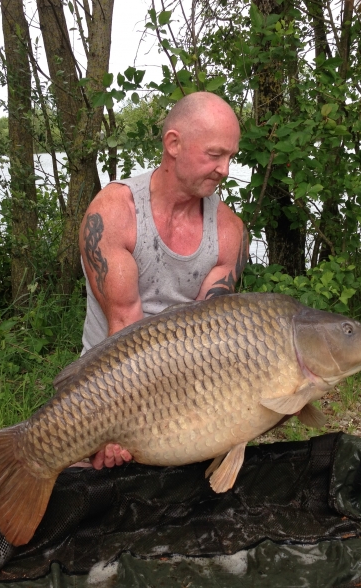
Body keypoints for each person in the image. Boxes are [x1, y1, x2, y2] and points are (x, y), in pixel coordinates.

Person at [78, 91, 248, 470]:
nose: (224, 169)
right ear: (173, 143)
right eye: (215, 154)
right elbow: (124, 330)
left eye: (231, 157)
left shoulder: (229, 230)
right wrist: (116, 427)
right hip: (106, 384)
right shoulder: (115, 212)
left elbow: (212, 333)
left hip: (191, 384)